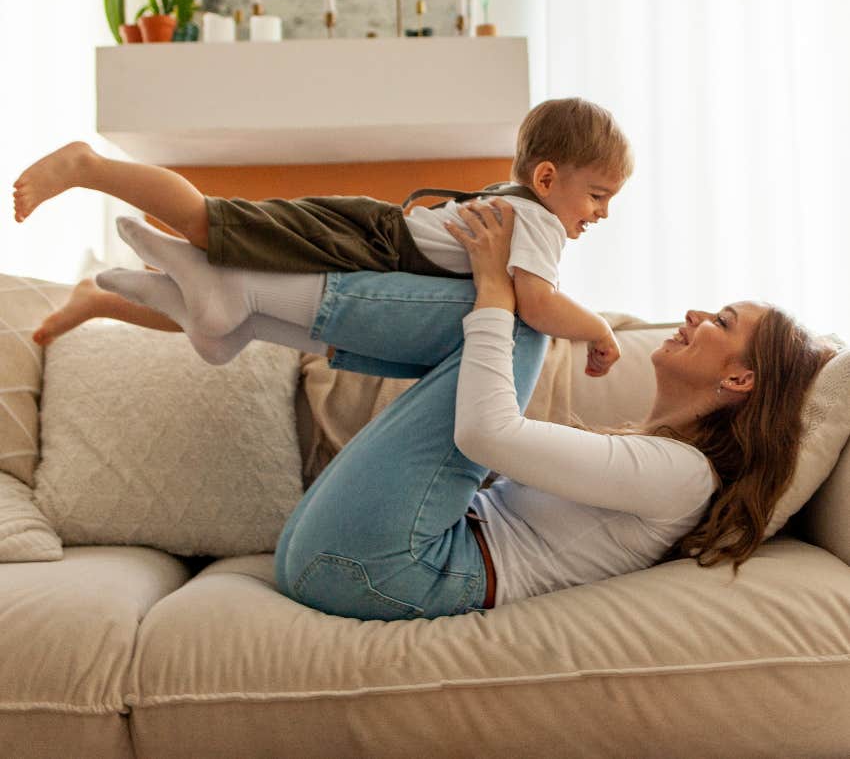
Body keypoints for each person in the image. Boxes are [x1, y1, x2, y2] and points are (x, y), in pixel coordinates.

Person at [29, 200, 835, 618]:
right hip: (363, 552)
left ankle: (232, 299)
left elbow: (485, 432)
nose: (696, 317)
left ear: (740, 383)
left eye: (721, 325)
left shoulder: (680, 476)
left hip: (385, 566)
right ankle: (230, 309)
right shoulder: (654, 452)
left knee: (512, 323)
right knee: (485, 335)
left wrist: (497, 287)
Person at [13, 98, 632, 376]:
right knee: (211, 225)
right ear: (547, 178)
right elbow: (538, 302)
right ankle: (86, 167)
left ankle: (101, 299)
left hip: (376, 246)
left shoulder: (520, 200)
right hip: (367, 239)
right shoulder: (539, 221)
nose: (601, 215)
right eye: (597, 195)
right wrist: (598, 330)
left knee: (233, 306)